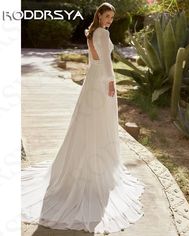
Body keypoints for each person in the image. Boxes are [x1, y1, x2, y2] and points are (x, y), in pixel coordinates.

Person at [21, 2, 145, 234]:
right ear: (99, 15)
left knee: (90, 123)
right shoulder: (101, 32)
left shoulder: (93, 33)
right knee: (98, 123)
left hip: (93, 81)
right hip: (102, 83)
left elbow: (93, 62)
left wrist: (102, 79)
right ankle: (94, 168)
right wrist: (110, 84)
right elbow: (106, 63)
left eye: (111, 18)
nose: (109, 20)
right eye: (106, 16)